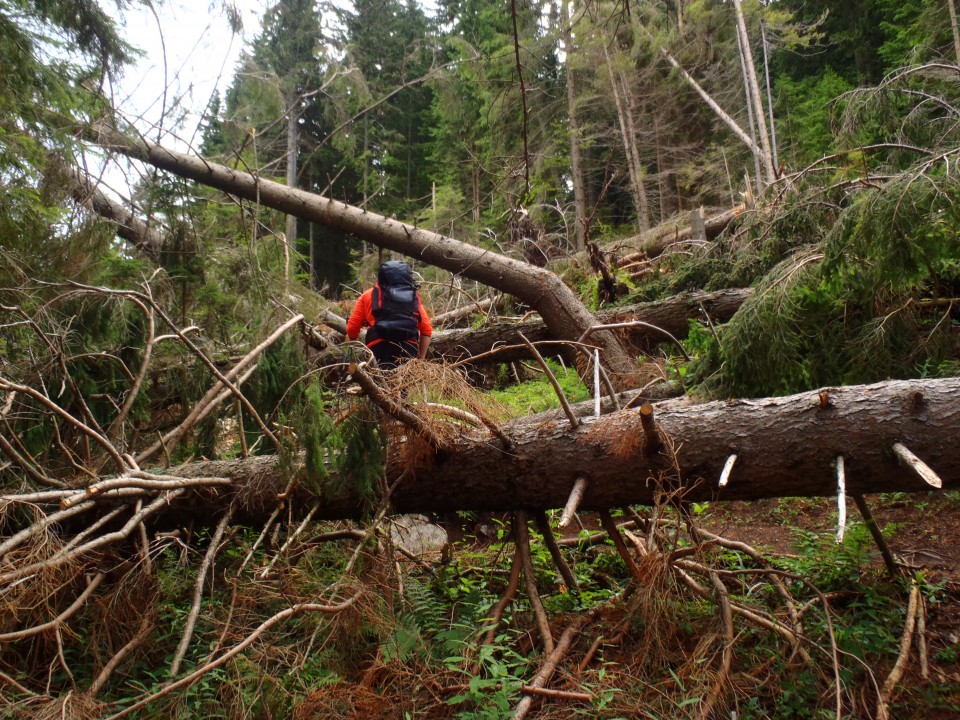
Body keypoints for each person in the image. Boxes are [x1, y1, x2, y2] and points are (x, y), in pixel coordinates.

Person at [346, 260, 433, 370]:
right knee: (406, 383)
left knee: (380, 382)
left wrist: (351, 342)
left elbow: (352, 328)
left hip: (378, 348)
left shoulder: (368, 295)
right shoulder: (412, 297)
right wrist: (420, 360)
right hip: (408, 348)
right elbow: (427, 330)